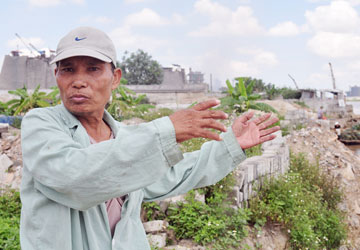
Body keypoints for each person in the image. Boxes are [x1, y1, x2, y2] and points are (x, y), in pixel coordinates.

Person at [20, 26, 280, 250]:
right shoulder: (42, 125)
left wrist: (231, 146)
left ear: (115, 78)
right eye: (68, 70)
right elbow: (74, 177)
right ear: (57, 76)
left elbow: (174, 175)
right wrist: (166, 130)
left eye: (93, 69)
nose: (79, 81)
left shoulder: (126, 137)